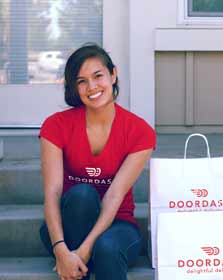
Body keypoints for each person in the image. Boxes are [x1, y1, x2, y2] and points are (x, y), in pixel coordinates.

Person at [39, 43, 156, 280]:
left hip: (118, 225)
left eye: (98, 76)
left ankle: (78, 262)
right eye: (82, 81)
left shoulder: (139, 131)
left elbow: (114, 197)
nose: (91, 87)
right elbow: (52, 193)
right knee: (83, 194)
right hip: (69, 225)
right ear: (74, 87)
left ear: (113, 75)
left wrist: (84, 250)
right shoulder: (55, 126)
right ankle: (72, 264)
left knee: (107, 248)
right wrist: (60, 248)